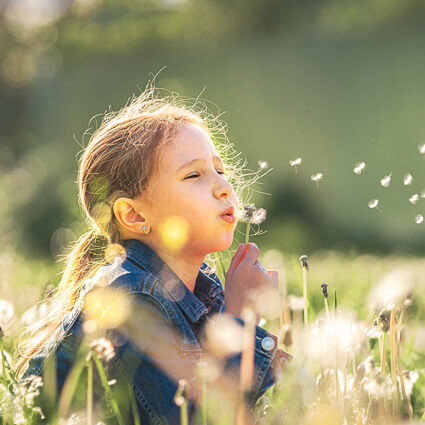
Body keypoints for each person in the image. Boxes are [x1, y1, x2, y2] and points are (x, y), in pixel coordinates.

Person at [16, 82, 291, 425]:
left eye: (220, 170)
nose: (224, 187)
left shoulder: (200, 290)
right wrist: (240, 317)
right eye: (194, 175)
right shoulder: (129, 300)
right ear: (134, 215)